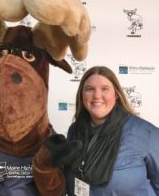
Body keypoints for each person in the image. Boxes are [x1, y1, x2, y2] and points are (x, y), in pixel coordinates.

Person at [65, 66, 159, 196]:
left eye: (105, 89)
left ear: (116, 95)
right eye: (90, 89)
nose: (97, 95)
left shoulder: (146, 133)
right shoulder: (74, 131)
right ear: (82, 96)